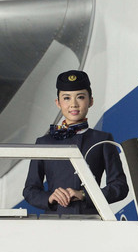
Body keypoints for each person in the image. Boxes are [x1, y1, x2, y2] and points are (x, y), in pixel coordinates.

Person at [23, 70, 128, 214]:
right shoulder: (44, 142)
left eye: (80, 97)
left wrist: (85, 195)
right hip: (54, 223)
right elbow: (30, 190)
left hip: (91, 222)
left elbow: (120, 187)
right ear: (58, 103)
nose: (73, 104)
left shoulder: (102, 140)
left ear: (91, 101)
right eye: (66, 98)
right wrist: (50, 197)